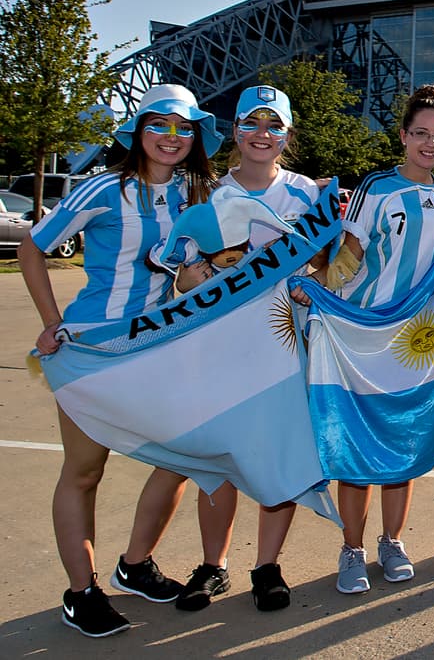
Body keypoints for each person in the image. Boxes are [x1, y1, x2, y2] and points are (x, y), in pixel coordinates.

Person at [18, 84, 220, 637]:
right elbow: (32, 247)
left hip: (155, 350)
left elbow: (189, 270)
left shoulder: (196, 196)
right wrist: (49, 320)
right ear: (138, 132)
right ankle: (81, 593)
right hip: (91, 350)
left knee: (184, 456)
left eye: (184, 128)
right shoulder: (104, 189)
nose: (172, 138)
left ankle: (135, 565)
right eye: (160, 125)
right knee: (85, 472)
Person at [174, 85, 324, 612]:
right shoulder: (205, 194)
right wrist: (208, 271)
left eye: (274, 125)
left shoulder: (308, 193)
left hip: (285, 345)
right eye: (253, 124)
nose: (263, 135)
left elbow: (329, 265)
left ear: (287, 134)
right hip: (220, 347)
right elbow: (183, 280)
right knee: (218, 460)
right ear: (235, 130)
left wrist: (314, 281)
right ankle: (213, 565)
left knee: (274, 455)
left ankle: (267, 565)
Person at [322, 84, 434, 594]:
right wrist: (318, 292)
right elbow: (350, 256)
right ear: (403, 136)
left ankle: (392, 542)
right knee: (360, 446)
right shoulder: (375, 189)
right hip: (364, 334)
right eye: (421, 134)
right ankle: (352, 549)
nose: (430, 143)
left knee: (403, 440)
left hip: (416, 342)